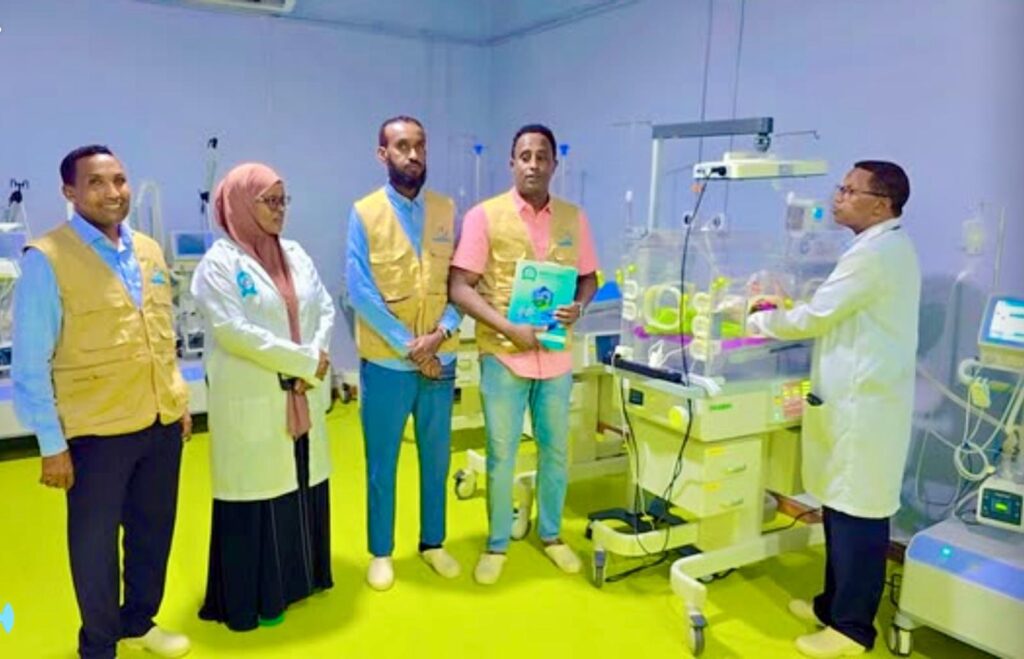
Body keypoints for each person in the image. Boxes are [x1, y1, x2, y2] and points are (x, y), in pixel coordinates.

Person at [12, 145, 192, 658]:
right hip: (95, 433)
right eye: (95, 182)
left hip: (158, 423)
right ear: (69, 192)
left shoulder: (149, 251)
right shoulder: (48, 259)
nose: (112, 192)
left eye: (119, 180)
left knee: (152, 533)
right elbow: (30, 364)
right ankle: (98, 645)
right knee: (94, 548)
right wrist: (52, 444)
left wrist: (178, 402)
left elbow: (161, 335)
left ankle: (139, 621)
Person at [747, 161, 920, 659]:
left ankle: (852, 630)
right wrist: (787, 305)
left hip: (866, 409)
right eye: (839, 187)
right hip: (857, 403)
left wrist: (760, 321)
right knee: (839, 510)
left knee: (857, 516)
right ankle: (831, 607)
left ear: (880, 204)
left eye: (849, 190)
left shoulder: (877, 254)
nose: (837, 197)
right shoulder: (876, 248)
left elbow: (817, 317)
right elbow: (835, 306)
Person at [449, 124, 599, 585]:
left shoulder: (574, 218)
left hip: (555, 355)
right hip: (503, 354)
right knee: (502, 452)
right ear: (512, 163)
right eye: (525, 156)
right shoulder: (484, 217)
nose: (533, 164)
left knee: (556, 450)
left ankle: (551, 534)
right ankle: (496, 542)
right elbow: (459, 286)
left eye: (541, 156)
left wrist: (579, 306)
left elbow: (589, 278)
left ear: (554, 164)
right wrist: (507, 327)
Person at [191, 163, 335, 631]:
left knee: (301, 481)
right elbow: (234, 331)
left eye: (282, 200)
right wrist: (303, 361)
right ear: (239, 204)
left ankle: (300, 581)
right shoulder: (218, 264)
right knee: (258, 494)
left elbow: (324, 307)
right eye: (268, 201)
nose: (278, 210)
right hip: (253, 396)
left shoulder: (294, 253)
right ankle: (256, 598)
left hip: (302, 391)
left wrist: (314, 358)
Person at [346, 115, 462, 591]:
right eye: (401, 146)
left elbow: (461, 283)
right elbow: (359, 289)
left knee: (437, 459)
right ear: (383, 154)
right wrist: (411, 347)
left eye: (419, 145)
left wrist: (443, 332)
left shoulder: (446, 211)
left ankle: (433, 542)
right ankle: (381, 551)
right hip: (387, 364)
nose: (413, 155)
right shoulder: (364, 213)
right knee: (382, 462)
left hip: (440, 359)